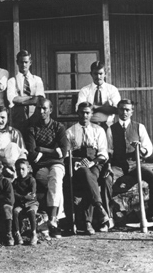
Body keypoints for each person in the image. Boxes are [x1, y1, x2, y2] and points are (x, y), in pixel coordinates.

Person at [105, 99, 153, 230]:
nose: (124, 112)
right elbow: (108, 150)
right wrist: (109, 163)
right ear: (117, 111)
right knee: (106, 180)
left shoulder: (139, 127)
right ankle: (108, 217)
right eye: (121, 109)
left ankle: (150, 216)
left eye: (127, 110)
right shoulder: (111, 129)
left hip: (135, 164)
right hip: (118, 166)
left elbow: (148, 148)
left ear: (132, 112)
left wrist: (140, 149)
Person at [25, 98, 68, 238]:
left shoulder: (58, 127)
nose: (41, 111)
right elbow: (32, 153)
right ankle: (54, 222)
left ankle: (53, 219)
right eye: (39, 108)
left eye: (44, 108)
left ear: (50, 109)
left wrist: (42, 149)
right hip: (41, 167)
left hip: (57, 165)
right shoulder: (32, 128)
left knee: (55, 175)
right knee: (54, 182)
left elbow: (64, 151)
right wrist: (53, 151)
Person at [66, 102, 111, 235]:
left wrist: (92, 163)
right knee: (87, 175)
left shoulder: (99, 130)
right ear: (77, 113)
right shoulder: (70, 132)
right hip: (78, 166)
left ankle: (87, 223)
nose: (84, 115)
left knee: (90, 178)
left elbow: (103, 153)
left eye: (87, 113)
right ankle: (99, 208)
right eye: (81, 112)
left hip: (95, 164)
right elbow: (67, 154)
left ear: (91, 114)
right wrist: (78, 161)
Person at [7, 50, 45, 131]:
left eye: (26, 62)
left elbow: (39, 99)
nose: (23, 65)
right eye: (21, 62)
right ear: (17, 62)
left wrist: (21, 100)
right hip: (18, 118)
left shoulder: (37, 80)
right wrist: (32, 97)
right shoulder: (12, 81)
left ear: (30, 62)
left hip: (34, 116)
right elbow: (13, 99)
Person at [76, 61, 121, 129]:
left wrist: (95, 107)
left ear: (105, 74)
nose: (98, 76)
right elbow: (80, 110)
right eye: (95, 74)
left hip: (108, 126)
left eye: (100, 73)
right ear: (91, 74)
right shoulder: (84, 90)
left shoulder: (112, 89)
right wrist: (106, 108)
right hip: (89, 126)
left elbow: (117, 110)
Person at [12, 158, 39, 246]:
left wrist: (22, 197)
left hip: (31, 203)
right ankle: (17, 233)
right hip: (20, 203)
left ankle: (34, 233)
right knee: (15, 211)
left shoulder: (31, 180)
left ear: (28, 169)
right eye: (18, 169)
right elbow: (14, 194)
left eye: (23, 169)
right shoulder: (15, 182)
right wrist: (24, 197)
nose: (21, 171)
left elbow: (32, 195)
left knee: (31, 211)